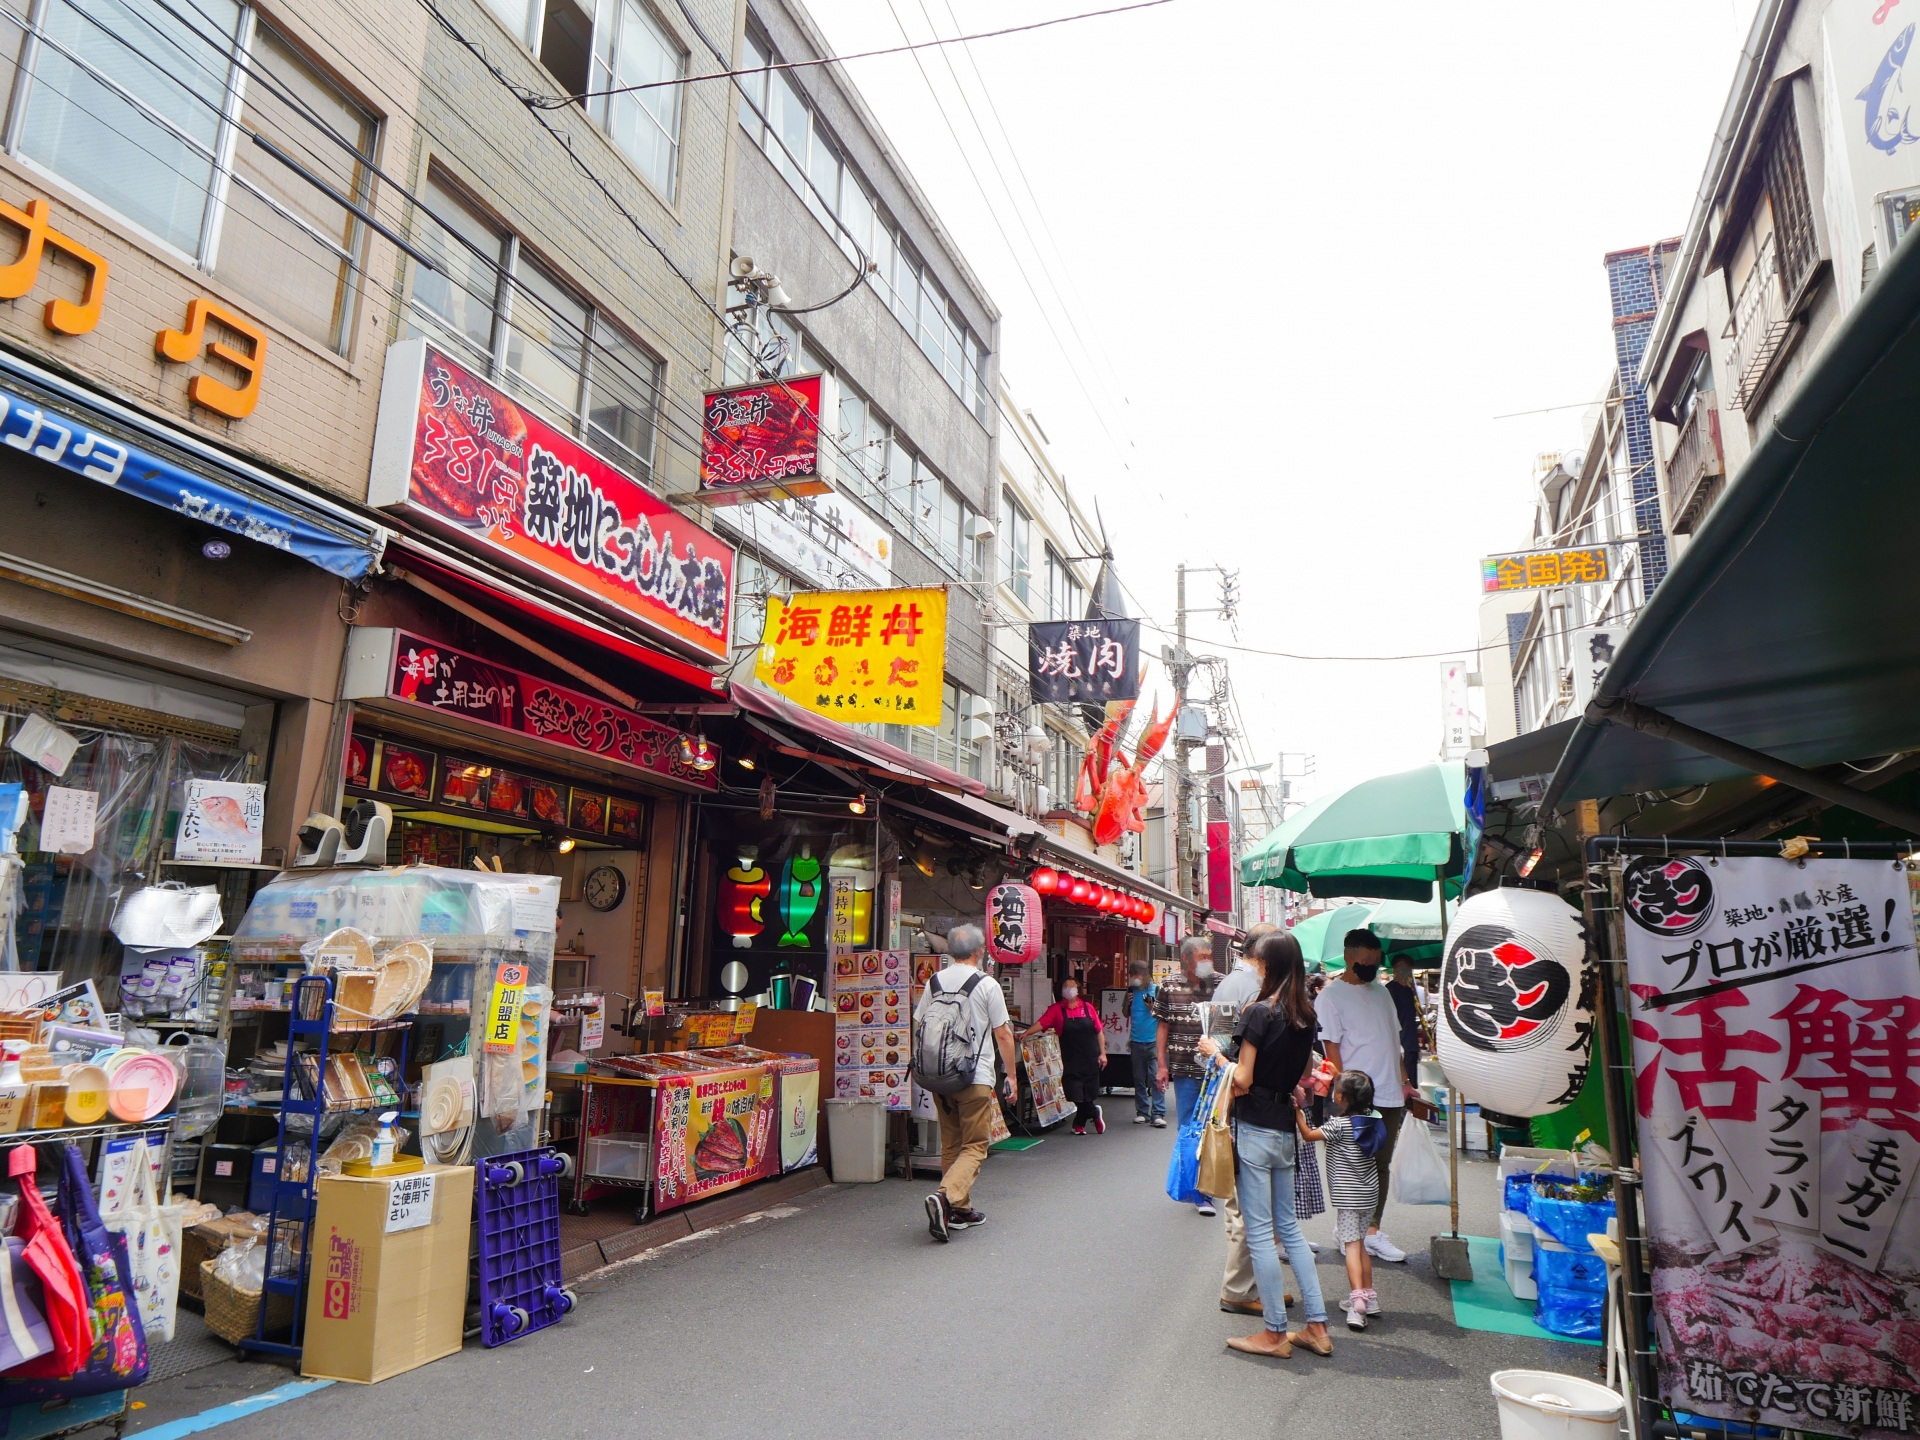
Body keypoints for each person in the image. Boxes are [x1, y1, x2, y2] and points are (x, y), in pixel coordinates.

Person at [1195, 931, 1332, 1359]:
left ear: (1267, 965)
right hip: (1285, 1130)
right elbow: (1298, 1078)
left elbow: (1243, 1078)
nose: (1253, 966)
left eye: (1256, 961)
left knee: (1259, 1233)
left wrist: (1215, 1055)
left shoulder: (1259, 1012)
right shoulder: (1306, 1016)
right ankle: (1317, 1327)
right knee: (1288, 1230)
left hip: (1255, 1127)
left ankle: (1274, 1332)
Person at [1315, 930, 1423, 1263]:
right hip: (1358, 1096)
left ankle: (1372, 1231)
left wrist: (1405, 1081)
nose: (1373, 966)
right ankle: (1350, 1230)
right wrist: (1345, 1094)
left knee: (1382, 1164)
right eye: (1367, 961)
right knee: (1356, 1166)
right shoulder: (1330, 997)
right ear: (1349, 957)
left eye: (1377, 961)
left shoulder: (1383, 993)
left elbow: (1395, 1041)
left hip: (1391, 1091)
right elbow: (1330, 1050)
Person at [917, 924, 1018, 1243]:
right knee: (975, 1145)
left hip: (939, 1075)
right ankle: (946, 1196)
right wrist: (1011, 1076)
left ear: (950, 952)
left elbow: (920, 1023)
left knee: (952, 1143)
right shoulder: (987, 984)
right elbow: (1003, 1033)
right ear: (979, 952)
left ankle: (959, 1211)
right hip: (974, 1076)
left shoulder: (934, 981)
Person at [1211, 925, 1274, 1316]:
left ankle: (1248, 1285)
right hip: (1243, 1100)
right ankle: (1238, 1290)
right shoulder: (1249, 989)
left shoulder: (1235, 987)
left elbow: (1215, 1045)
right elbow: (1219, 1049)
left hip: (1242, 1097)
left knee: (1248, 1201)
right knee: (1242, 1202)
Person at [1298, 1071, 1384, 1330]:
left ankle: (1357, 1303)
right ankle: (1369, 1296)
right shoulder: (1371, 1121)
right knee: (1361, 1245)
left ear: (1341, 1097)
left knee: (1352, 1248)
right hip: (1369, 1194)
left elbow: (1308, 1135)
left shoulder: (1338, 1125)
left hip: (1348, 1198)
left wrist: (1298, 1113)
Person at [1154, 934, 1221, 1216]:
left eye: (1209, 956)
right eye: (1201, 957)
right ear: (1185, 959)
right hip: (1183, 1070)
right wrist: (1161, 1065)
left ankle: (1211, 1185)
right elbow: (1163, 1027)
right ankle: (1197, 1190)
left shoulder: (1221, 983)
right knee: (1189, 1129)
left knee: (1214, 1128)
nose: (1207, 962)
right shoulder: (1169, 985)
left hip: (1217, 1070)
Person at [1021, 978, 1106, 1134]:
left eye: (1072, 986)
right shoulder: (1056, 1009)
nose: (1069, 989)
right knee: (1073, 1091)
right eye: (1065, 986)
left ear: (1078, 990)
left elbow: (1099, 1030)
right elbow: (1042, 1023)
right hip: (1071, 1057)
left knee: (1088, 1090)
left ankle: (1078, 1125)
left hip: (1090, 1056)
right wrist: (1026, 1033)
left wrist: (1103, 1053)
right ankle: (1094, 1112)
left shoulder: (1087, 1007)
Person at [1123, 960, 1165, 1125]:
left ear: (1145, 974)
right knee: (1138, 1078)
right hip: (1136, 1041)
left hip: (1154, 1041)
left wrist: (1152, 1007)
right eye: (1132, 975)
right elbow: (1125, 1014)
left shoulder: (1157, 990)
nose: (1134, 978)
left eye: (1136, 974)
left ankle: (1158, 1113)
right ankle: (1142, 1111)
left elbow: (1163, 1015)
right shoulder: (1131, 991)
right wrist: (1127, 1003)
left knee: (1156, 1078)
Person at [1387, 956, 1423, 1114]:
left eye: (1408, 968)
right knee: (1401, 1082)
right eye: (1402, 968)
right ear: (1394, 969)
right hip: (1400, 1044)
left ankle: (1410, 1115)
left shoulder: (1409, 989)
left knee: (1412, 1082)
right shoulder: (1390, 990)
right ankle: (1402, 1115)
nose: (1405, 971)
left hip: (1411, 1043)